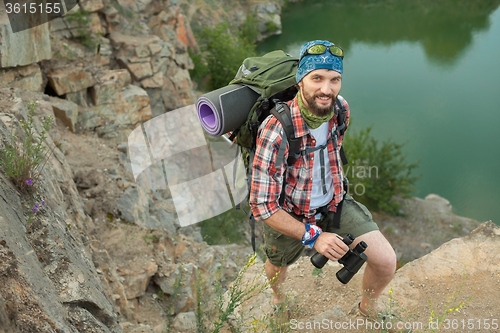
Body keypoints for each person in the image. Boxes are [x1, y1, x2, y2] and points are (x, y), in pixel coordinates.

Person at [249, 40, 397, 320]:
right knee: (277, 264)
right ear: (300, 79)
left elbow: (333, 154)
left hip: (334, 202)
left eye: (335, 79)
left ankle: (368, 308)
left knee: (386, 261)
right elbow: (262, 205)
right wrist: (313, 235)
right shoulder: (275, 129)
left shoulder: (340, 109)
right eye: (317, 78)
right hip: (290, 210)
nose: (326, 89)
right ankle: (279, 298)